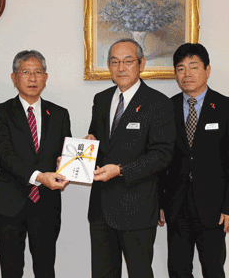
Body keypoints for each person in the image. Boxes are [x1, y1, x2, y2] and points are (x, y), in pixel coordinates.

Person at [85, 38, 175, 278]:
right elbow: (99, 142)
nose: (121, 68)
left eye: (127, 61)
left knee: (140, 273)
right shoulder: (101, 99)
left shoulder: (159, 103)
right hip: (101, 208)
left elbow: (162, 154)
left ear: (141, 64)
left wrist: (121, 169)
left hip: (138, 207)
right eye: (114, 62)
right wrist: (86, 147)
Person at [161, 43, 229, 278]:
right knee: (178, 270)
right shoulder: (166, 108)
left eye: (193, 67)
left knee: (213, 269)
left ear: (207, 70)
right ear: (175, 74)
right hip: (176, 205)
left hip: (214, 207)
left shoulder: (227, 107)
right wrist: (159, 203)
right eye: (180, 68)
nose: (187, 74)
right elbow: (160, 161)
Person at [0, 50, 71, 278]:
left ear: (46, 77)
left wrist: (66, 163)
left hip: (46, 205)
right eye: (25, 72)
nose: (32, 78)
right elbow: (3, 153)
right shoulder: (0, 113)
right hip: (9, 204)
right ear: (14, 78)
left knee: (45, 269)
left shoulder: (59, 114)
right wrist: (39, 176)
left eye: (38, 72)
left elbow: (63, 156)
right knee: (11, 270)